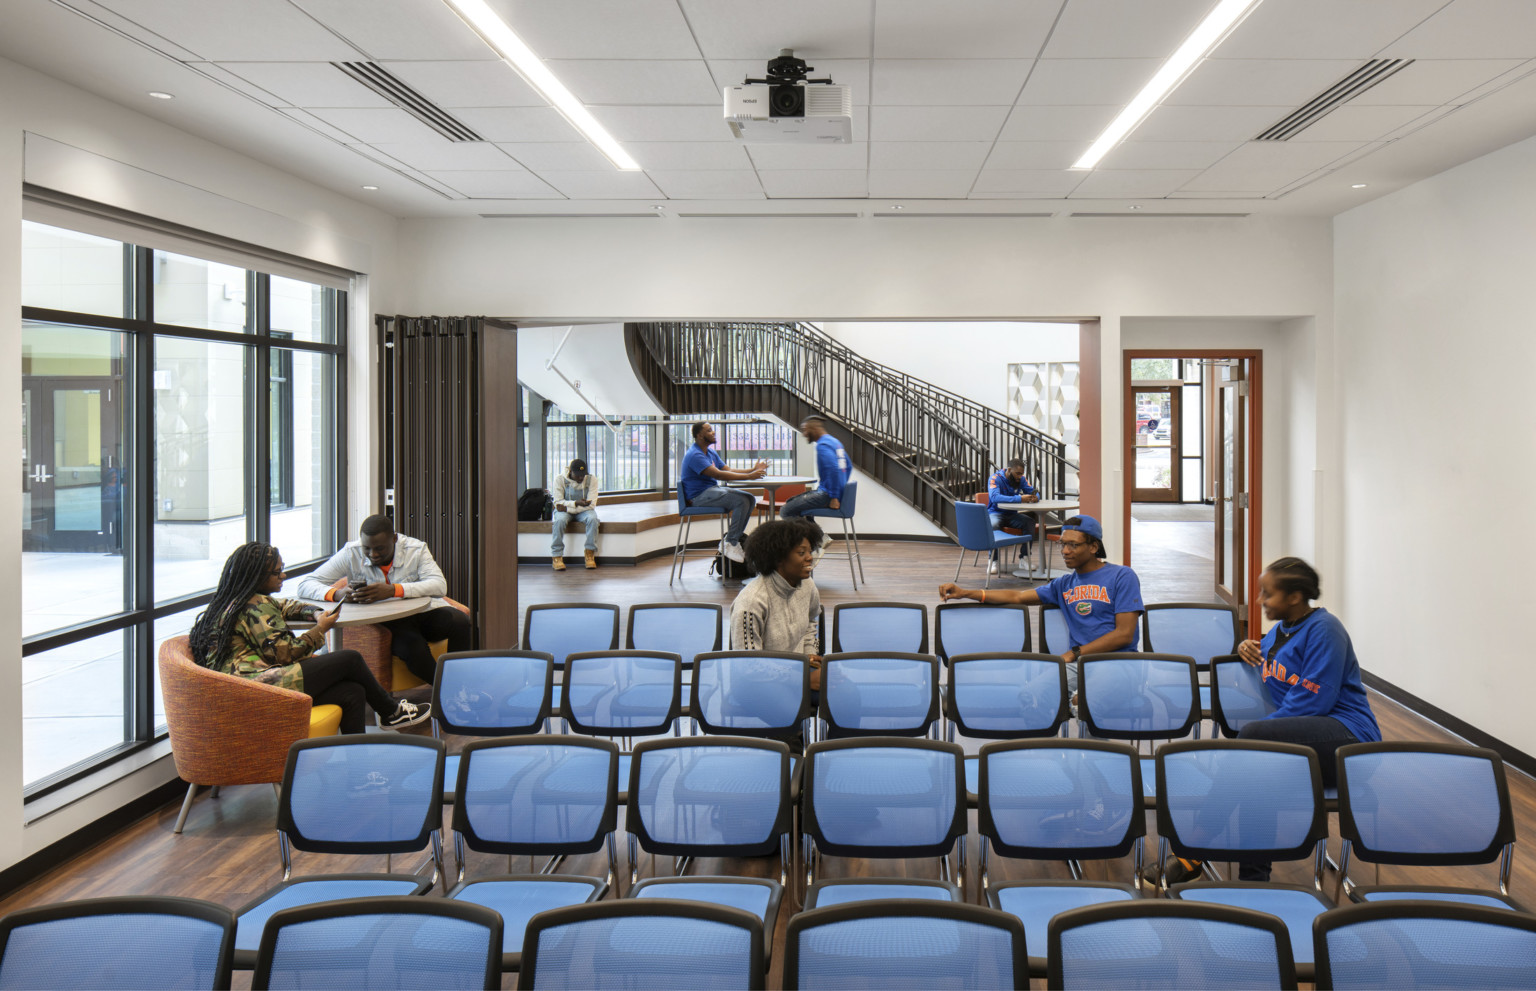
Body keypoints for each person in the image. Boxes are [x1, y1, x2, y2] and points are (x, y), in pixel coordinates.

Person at [1148, 557, 1382, 886]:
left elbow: (1315, 701)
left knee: (1254, 744)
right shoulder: (1277, 634)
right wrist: (1247, 646)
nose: (1260, 601)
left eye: (1267, 594)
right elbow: (1272, 661)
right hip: (1307, 745)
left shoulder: (1326, 630)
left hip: (1349, 742)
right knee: (1256, 776)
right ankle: (1253, 882)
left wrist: (1257, 739)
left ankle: (1195, 845)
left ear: (1295, 596)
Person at [189, 542, 431, 733]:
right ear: (258, 577)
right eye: (277, 573)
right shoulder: (255, 607)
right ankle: (391, 712)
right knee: (350, 659)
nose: (283, 576)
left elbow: (286, 606)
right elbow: (286, 653)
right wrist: (320, 629)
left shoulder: (240, 599)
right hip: (258, 686)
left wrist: (314, 612)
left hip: (246, 687)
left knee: (353, 691)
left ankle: (357, 761)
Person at [939, 515, 1142, 695]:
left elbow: (1124, 634)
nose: (1065, 551)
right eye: (1062, 544)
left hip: (1119, 663)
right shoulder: (1063, 585)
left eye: (1073, 545)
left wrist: (1074, 653)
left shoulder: (1122, 576)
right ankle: (1051, 733)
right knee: (1033, 694)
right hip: (1080, 665)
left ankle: (1081, 717)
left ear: (1093, 547)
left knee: (1089, 701)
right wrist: (966, 593)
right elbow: (1017, 597)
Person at [297, 514, 472, 684]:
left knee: (460, 621)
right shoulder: (352, 552)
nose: (372, 554)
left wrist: (393, 590)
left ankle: (460, 680)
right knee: (414, 648)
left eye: (380, 548)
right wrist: (338, 594)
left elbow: (439, 585)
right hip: (387, 622)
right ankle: (450, 691)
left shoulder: (415, 549)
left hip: (422, 613)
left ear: (394, 539)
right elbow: (305, 584)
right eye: (367, 548)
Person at [730, 518, 824, 689]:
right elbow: (748, 665)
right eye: (802, 553)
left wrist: (810, 655)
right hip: (757, 684)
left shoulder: (807, 585)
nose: (810, 558)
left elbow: (811, 622)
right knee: (795, 710)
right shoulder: (751, 601)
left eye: (810, 551)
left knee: (847, 692)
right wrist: (802, 679)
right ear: (779, 559)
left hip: (798, 669)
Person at [678, 421, 768, 563]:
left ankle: (733, 541)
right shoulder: (695, 455)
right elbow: (719, 475)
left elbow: (728, 470)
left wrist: (753, 470)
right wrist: (750, 476)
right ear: (700, 435)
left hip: (712, 491)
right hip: (698, 497)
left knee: (749, 498)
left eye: (712, 430)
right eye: (709, 430)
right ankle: (730, 542)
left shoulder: (710, 452)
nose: (713, 432)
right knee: (741, 500)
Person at [780, 416, 850, 526]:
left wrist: (835, 497)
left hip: (826, 495)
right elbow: (848, 466)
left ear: (814, 428)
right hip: (827, 492)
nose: (804, 434)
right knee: (791, 502)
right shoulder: (834, 442)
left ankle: (814, 539)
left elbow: (833, 470)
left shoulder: (823, 445)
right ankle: (818, 539)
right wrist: (842, 488)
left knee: (786, 511)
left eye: (805, 430)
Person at [987, 458, 1039, 575]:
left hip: (1012, 515)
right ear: (1009, 470)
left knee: (1029, 522)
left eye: (1021, 474)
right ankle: (993, 560)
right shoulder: (995, 478)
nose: (1020, 476)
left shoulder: (1021, 479)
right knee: (993, 523)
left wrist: (1036, 497)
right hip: (995, 513)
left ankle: (1024, 558)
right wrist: (1020, 499)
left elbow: (1033, 491)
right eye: (1018, 473)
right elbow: (995, 498)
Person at [549, 457, 600, 571]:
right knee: (559, 521)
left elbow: (591, 505)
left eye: (583, 474)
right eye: (578, 475)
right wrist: (576, 503)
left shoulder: (592, 480)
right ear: (570, 471)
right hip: (570, 510)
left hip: (572, 510)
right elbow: (558, 503)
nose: (581, 478)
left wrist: (568, 508)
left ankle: (589, 553)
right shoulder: (560, 479)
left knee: (593, 519)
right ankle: (556, 555)